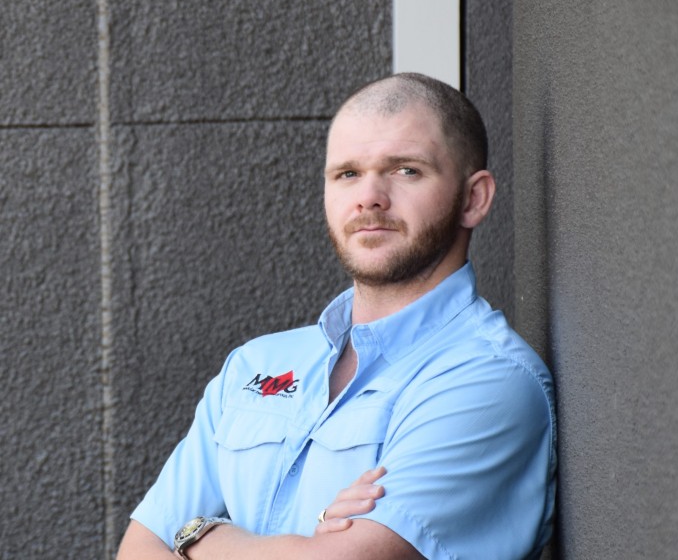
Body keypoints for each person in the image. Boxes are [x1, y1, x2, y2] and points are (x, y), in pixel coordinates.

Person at [117, 72, 556, 560]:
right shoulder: (254, 364)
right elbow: (138, 550)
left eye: (406, 170)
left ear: (473, 199)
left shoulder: (487, 380)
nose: (369, 196)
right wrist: (304, 543)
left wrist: (198, 537)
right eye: (348, 173)